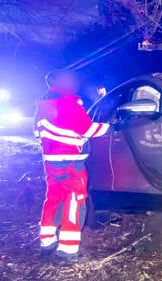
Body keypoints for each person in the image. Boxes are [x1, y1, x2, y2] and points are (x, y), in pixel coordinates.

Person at [33, 70, 110, 264]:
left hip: (51, 162)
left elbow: (37, 132)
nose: (75, 85)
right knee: (74, 202)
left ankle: (47, 242)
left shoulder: (43, 105)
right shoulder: (68, 104)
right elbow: (87, 129)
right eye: (72, 81)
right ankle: (67, 251)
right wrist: (110, 127)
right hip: (72, 164)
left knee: (53, 199)